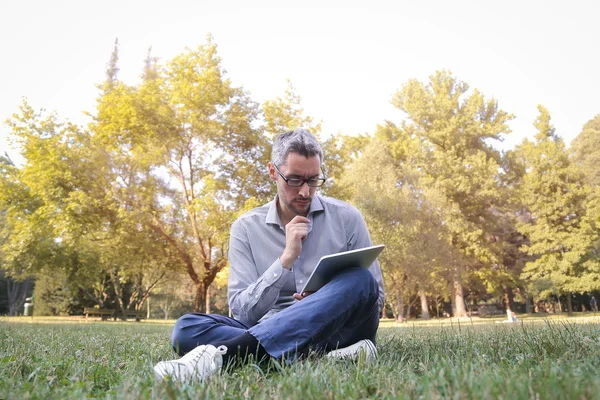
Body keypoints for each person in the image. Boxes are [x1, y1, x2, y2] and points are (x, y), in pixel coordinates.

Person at [154, 128, 385, 382]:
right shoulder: (245, 227)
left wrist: (324, 302)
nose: (305, 192)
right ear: (273, 172)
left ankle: (224, 357)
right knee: (186, 328)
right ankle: (318, 355)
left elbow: (374, 297)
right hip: (264, 327)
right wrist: (285, 259)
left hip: (338, 330)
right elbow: (242, 312)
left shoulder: (347, 218)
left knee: (361, 279)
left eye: (313, 180)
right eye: (295, 180)